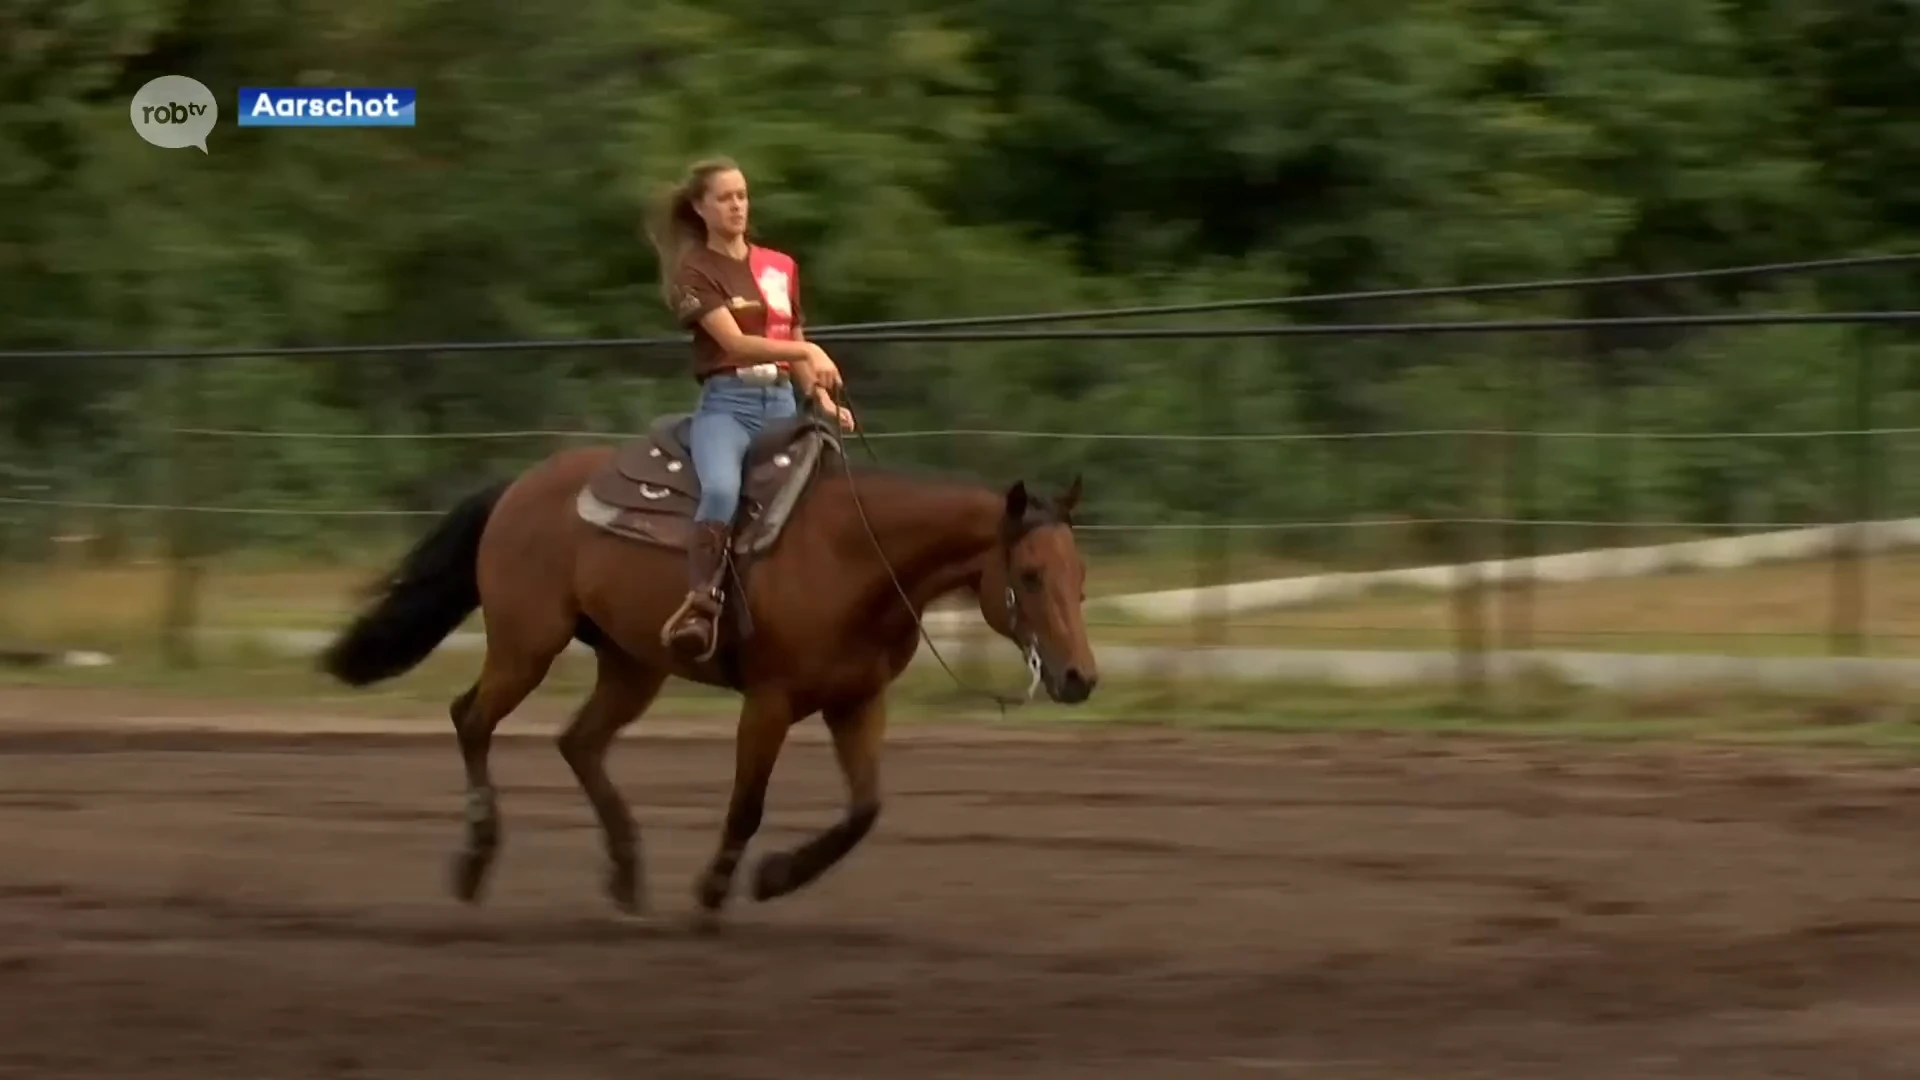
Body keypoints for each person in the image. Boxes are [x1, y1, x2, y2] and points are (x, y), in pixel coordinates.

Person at [647, 156, 856, 663]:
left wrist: (821, 397)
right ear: (700, 208)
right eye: (725, 197)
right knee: (721, 488)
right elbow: (737, 344)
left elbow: (792, 334)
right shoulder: (694, 271)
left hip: (784, 401)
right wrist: (807, 354)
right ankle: (701, 603)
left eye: (742, 195)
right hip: (729, 405)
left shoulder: (779, 266)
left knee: (827, 494)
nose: (737, 205)